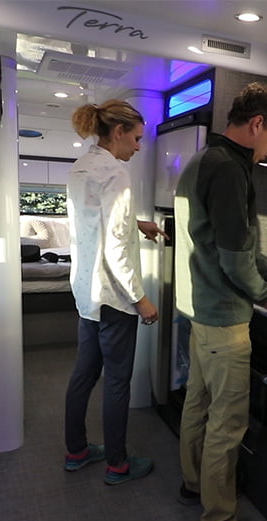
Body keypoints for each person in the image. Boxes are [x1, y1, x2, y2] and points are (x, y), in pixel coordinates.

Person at [173, 83, 267, 521]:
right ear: (256, 124)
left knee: (196, 405)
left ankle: (192, 482)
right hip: (225, 319)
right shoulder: (231, 170)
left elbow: (239, 243)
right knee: (227, 423)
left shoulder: (203, 161)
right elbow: (233, 258)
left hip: (201, 310)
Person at [64, 99, 161, 485]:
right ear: (117, 132)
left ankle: (76, 450)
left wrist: (137, 223)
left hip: (86, 293)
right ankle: (118, 464)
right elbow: (116, 250)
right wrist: (141, 299)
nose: (139, 147)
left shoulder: (81, 167)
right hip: (116, 298)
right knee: (118, 382)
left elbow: (94, 225)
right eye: (136, 138)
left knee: (83, 375)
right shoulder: (116, 174)